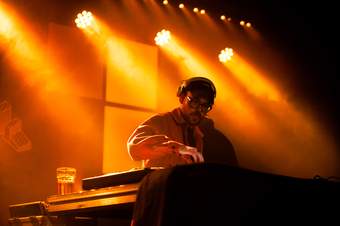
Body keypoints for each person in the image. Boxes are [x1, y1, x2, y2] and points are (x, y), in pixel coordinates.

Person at [127, 76, 238, 168]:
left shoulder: (199, 135)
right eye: (194, 102)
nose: (198, 110)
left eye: (204, 106)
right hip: (159, 192)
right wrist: (177, 148)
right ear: (181, 98)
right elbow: (134, 149)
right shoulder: (160, 122)